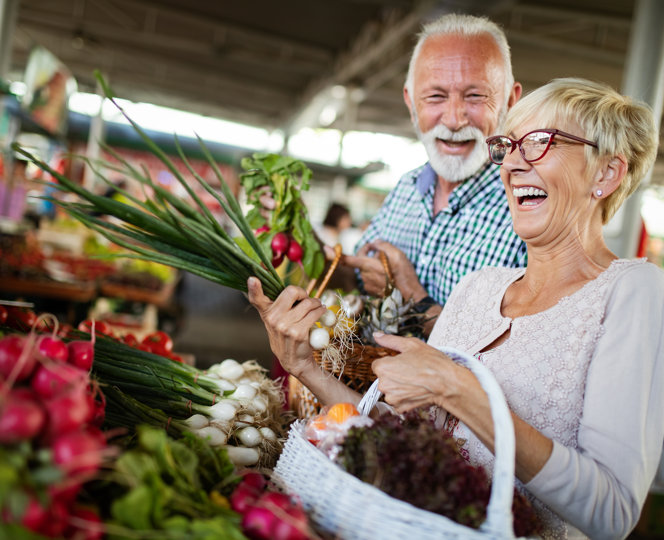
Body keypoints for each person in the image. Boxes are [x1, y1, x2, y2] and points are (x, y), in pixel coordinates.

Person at [247, 78, 664, 539]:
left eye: (541, 142)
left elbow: (613, 514)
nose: (514, 165)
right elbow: (405, 443)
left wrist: (458, 390)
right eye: (508, 146)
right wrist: (306, 368)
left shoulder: (632, 291)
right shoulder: (477, 289)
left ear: (606, 173)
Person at [340, 14, 527, 329]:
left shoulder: (528, 206)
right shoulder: (407, 187)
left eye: (475, 96)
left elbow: (513, 352)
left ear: (510, 100)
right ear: (411, 102)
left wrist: (410, 291)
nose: (454, 119)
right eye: (436, 96)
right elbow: (358, 280)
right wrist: (305, 249)